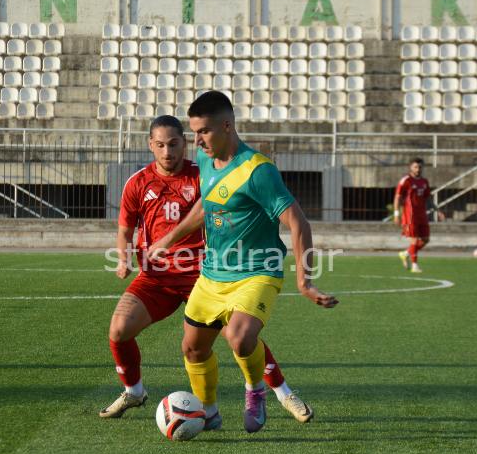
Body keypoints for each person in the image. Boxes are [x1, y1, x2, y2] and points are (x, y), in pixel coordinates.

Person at [100, 115, 314, 426]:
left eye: (174, 144)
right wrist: (123, 259)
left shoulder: (203, 173)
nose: (167, 151)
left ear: (184, 144)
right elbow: (125, 230)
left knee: (240, 336)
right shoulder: (137, 182)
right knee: (119, 329)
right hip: (156, 278)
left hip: (205, 274)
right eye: (160, 145)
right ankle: (134, 391)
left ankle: (283, 393)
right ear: (150, 145)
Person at [148, 92, 337, 433]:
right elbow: (207, 206)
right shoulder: (206, 159)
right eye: (194, 132)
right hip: (213, 274)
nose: (197, 141)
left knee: (239, 337)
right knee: (192, 348)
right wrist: (168, 238)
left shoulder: (258, 170)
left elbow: (298, 222)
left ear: (226, 126)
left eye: (204, 131)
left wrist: (305, 282)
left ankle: (255, 390)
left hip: (257, 271)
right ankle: (208, 411)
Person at [393, 158, 443, 274]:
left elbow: (428, 198)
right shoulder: (406, 181)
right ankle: (414, 266)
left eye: (420, 167)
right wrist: (396, 214)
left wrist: (437, 211)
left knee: (425, 240)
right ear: (410, 167)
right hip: (410, 215)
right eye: (415, 167)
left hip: (422, 215)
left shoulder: (424, 181)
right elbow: (397, 197)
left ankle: (405, 253)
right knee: (414, 241)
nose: (418, 169)